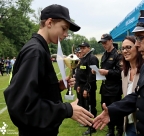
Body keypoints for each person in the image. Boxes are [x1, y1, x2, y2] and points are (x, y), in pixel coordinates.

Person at [4, 4, 94, 136]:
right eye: (64, 28)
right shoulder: (35, 51)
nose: (66, 34)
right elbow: (23, 106)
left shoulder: (40, 49)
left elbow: (35, 91)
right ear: (49, 22)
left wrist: (56, 87)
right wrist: (67, 110)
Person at [97, 34, 123, 136]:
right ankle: (110, 130)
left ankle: (119, 130)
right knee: (105, 109)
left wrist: (107, 72)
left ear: (111, 41)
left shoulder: (118, 55)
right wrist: (97, 72)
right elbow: (103, 70)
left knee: (115, 110)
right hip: (105, 87)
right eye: (102, 43)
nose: (104, 44)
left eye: (105, 42)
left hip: (114, 88)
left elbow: (120, 72)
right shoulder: (104, 55)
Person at [121, 36, 144, 136]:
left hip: (142, 125)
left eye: (128, 47)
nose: (125, 51)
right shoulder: (124, 73)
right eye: (123, 48)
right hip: (128, 124)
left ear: (137, 48)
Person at [75, 42, 99, 135]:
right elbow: (80, 73)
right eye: (81, 48)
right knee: (85, 106)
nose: (82, 49)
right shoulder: (83, 58)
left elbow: (92, 76)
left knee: (91, 107)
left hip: (89, 87)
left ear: (89, 48)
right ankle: (87, 123)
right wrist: (78, 86)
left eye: (84, 48)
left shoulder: (92, 58)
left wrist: (87, 89)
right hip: (82, 86)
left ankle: (93, 127)